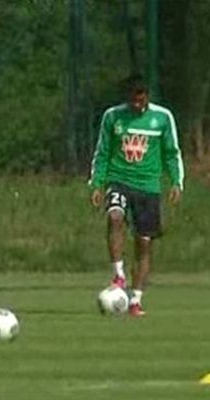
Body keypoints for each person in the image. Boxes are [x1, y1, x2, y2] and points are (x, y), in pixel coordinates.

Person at [89, 74, 184, 317]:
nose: (138, 104)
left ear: (147, 97)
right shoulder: (113, 117)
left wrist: (176, 181)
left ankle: (135, 299)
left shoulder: (162, 118)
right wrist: (97, 183)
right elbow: (102, 152)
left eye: (142, 100)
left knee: (144, 243)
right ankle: (118, 275)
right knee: (115, 217)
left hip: (148, 187)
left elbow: (172, 153)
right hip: (119, 180)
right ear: (128, 97)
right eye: (134, 99)